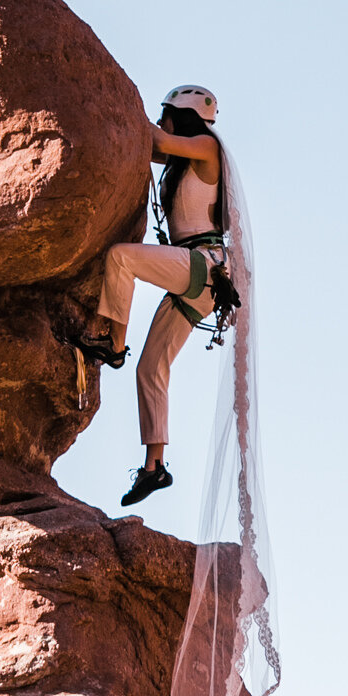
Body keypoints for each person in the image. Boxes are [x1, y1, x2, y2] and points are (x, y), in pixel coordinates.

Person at [75, 85, 243, 506]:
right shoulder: (183, 157)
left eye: (165, 112)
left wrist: (115, 104)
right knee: (151, 368)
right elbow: (150, 147)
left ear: (180, 116)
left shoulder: (206, 146)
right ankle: (155, 467)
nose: (160, 118)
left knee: (121, 259)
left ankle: (113, 345)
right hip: (197, 277)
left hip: (203, 266)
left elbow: (159, 140)